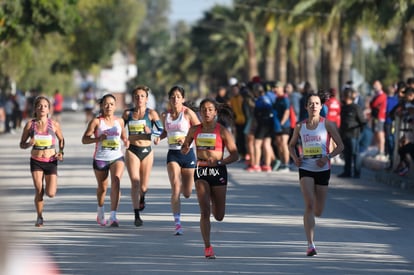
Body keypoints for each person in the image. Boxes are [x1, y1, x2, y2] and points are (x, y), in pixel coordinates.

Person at [181, 98, 239, 259]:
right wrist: (184, 147)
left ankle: (214, 200)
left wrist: (220, 161)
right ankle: (207, 247)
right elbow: (185, 148)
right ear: (199, 112)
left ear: (215, 112)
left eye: (209, 109)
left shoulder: (222, 131)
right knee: (204, 210)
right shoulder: (194, 130)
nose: (206, 112)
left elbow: (235, 155)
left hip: (218, 171)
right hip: (201, 170)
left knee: (219, 215)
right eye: (203, 109)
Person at [288, 92, 344, 256]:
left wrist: (328, 156)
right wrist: (295, 158)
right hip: (305, 167)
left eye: (317, 103)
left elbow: (340, 146)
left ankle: (313, 228)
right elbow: (291, 145)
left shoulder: (328, 125)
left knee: (318, 210)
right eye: (310, 103)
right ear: (306, 107)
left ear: (321, 106)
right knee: (309, 205)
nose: (313, 106)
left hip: (323, 169)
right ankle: (310, 244)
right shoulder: (300, 126)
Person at [81, 94, 128, 227]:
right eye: (106, 104)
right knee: (102, 188)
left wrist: (126, 141)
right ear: (101, 106)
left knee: (116, 182)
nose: (109, 107)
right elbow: (84, 139)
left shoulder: (120, 121)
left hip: (117, 157)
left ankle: (113, 216)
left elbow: (124, 136)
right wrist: (97, 139)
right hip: (101, 158)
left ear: (115, 106)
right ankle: (100, 210)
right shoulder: (96, 122)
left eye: (112, 104)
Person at [19, 96, 65, 227]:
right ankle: (39, 217)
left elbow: (61, 140)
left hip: (50, 161)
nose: (42, 108)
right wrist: (29, 144)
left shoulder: (54, 124)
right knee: (39, 189)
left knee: (50, 193)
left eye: (45, 106)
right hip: (36, 160)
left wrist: (61, 152)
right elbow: (21, 144)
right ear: (35, 108)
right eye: (39, 106)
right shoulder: (30, 125)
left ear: (49, 109)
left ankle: (49, 186)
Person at [160, 85, 200, 235]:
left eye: (178, 96)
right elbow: (165, 131)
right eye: (172, 96)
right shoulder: (165, 115)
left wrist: (186, 138)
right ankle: (177, 223)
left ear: (183, 99)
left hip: (188, 155)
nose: (175, 99)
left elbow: (199, 129)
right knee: (176, 187)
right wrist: (159, 137)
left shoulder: (188, 113)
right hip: (173, 154)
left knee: (187, 192)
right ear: (169, 99)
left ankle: (185, 186)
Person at [122, 85, 163, 227]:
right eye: (137, 96)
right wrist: (124, 138)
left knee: (144, 186)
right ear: (133, 98)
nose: (139, 99)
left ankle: (143, 197)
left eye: (142, 96)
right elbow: (121, 128)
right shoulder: (127, 114)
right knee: (135, 182)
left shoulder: (151, 114)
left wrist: (151, 131)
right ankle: (136, 215)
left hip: (146, 151)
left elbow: (161, 131)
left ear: (146, 99)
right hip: (132, 150)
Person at [339, 88, 366, 178]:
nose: (342, 97)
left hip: (354, 134)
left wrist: (359, 131)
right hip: (344, 134)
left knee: (355, 153)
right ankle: (347, 172)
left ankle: (357, 172)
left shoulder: (356, 107)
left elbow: (362, 121)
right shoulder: (343, 107)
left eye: (343, 95)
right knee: (347, 154)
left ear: (348, 96)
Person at [370, 80, 387, 159]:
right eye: (374, 85)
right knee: (377, 134)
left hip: (380, 117)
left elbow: (374, 103)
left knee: (380, 134)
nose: (375, 87)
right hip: (376, 117)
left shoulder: (382, 95)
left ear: (380, 86)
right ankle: (379, 150)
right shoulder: (376, 95)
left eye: (376, 85)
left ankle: (381, 151)